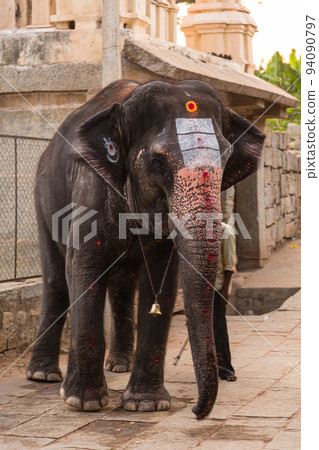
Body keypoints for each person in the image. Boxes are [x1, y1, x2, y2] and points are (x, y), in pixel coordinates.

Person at [213, 221, 237, 382]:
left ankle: (226, 369)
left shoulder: (225, 230)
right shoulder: (195, 229)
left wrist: (225, 291)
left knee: (219, 327)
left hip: (217, 287)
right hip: (199, 288)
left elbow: (229, 265)